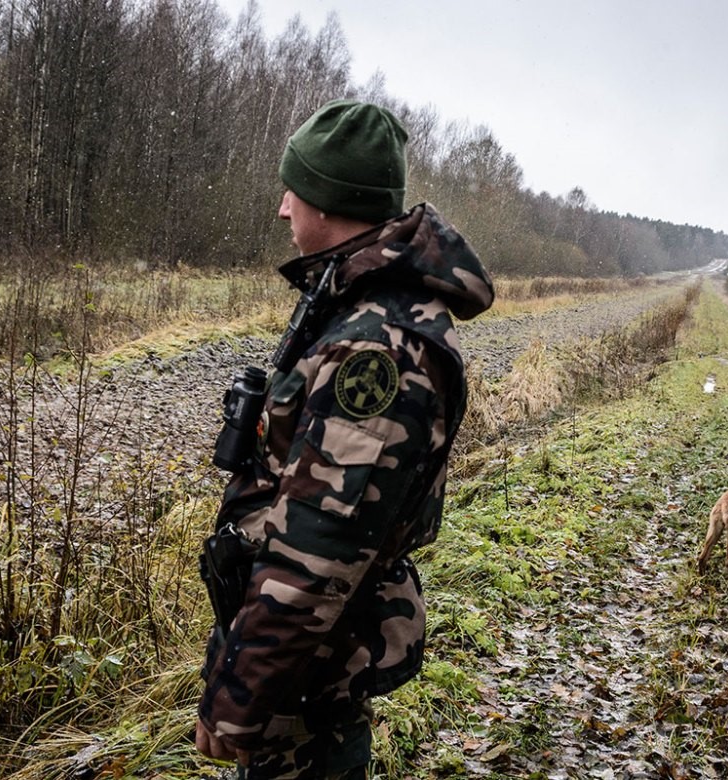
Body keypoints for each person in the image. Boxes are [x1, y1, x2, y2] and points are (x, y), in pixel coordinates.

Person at [195, 99, 494, 779]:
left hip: (308, 676)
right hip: (299, 669)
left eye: (292, 190)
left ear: (328, 203)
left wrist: (241, 694)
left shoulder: (378, 349)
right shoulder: (352, 305)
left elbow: (320, 549)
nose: (281, 208)